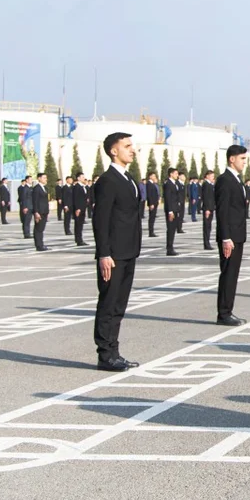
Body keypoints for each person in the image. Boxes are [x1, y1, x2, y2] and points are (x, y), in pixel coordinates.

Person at [92, 132, 143, 372]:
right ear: (114, 151)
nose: (132, 150)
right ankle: (105, 354)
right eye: (127, 146)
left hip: (128, 251)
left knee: (119, 305)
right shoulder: (107, 180)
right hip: (113, 254)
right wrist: (104, 253)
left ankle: (114, 351)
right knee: (109, 304)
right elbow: (100, 220)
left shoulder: (128, 178)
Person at [216, 145, 250, 326]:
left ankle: (228, 310)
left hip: (238, 235)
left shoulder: (237, 180)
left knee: (233, 274)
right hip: (230, 237)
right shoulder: (225, 180)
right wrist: (226, 237)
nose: (245, 162)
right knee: (228, 275)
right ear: (232, 159)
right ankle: (223, 313)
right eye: (242, 159)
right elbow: (222, 211)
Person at [162, 168, 180, 256]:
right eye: (176, 173)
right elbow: (168, 198)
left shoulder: (174, 183)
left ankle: (171, 247)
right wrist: (170, 211)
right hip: (171, 210)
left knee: (173, 229)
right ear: (171, 174)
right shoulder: (168, 184)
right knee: (170, 229)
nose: (177, 175)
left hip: (175, 209)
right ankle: (169, 248)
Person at [32, 172, 50, 251]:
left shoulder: (45, 188)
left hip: (44, 211)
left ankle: (41, 244)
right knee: (38, 229)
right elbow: (35, 201)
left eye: (46, 178)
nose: (45, 179)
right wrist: (36, 212)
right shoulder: (36, 188)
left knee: (41, 229)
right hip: (39, 212)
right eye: (44, 178)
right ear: (39, 178)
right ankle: (39, 245)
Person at [72, 172, 89, 246]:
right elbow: (76, 198)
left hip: (83, 208)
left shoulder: (83, 186)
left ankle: (80, 239)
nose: (83, 178)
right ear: (78, 178)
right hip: (79, 209)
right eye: (82, 177)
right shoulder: (77, 187)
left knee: (80, 225)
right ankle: (79, 240)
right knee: (78, 225)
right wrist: (77, 208)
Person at [18, 174, 34, 239]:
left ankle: (28, 232)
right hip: (27, 207)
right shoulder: (25, 188)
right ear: (27, 180)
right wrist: (24, 207)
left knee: (28, 220)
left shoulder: (31, 188)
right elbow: (23, 198)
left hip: (31, 206)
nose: (31, 180)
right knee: (26, 221)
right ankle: (26, 234)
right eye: (30, 179)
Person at [145, 172, 160, 237]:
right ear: (150, 176)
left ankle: (152, 231)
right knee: (151, 218)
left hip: (155, 203)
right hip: (152, 203)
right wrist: (151, 203)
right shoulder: (149, 184)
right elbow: (149, 194)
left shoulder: (152, 184)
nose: (154, 177)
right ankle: (151, 232)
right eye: (153, 176)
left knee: (153, 218)